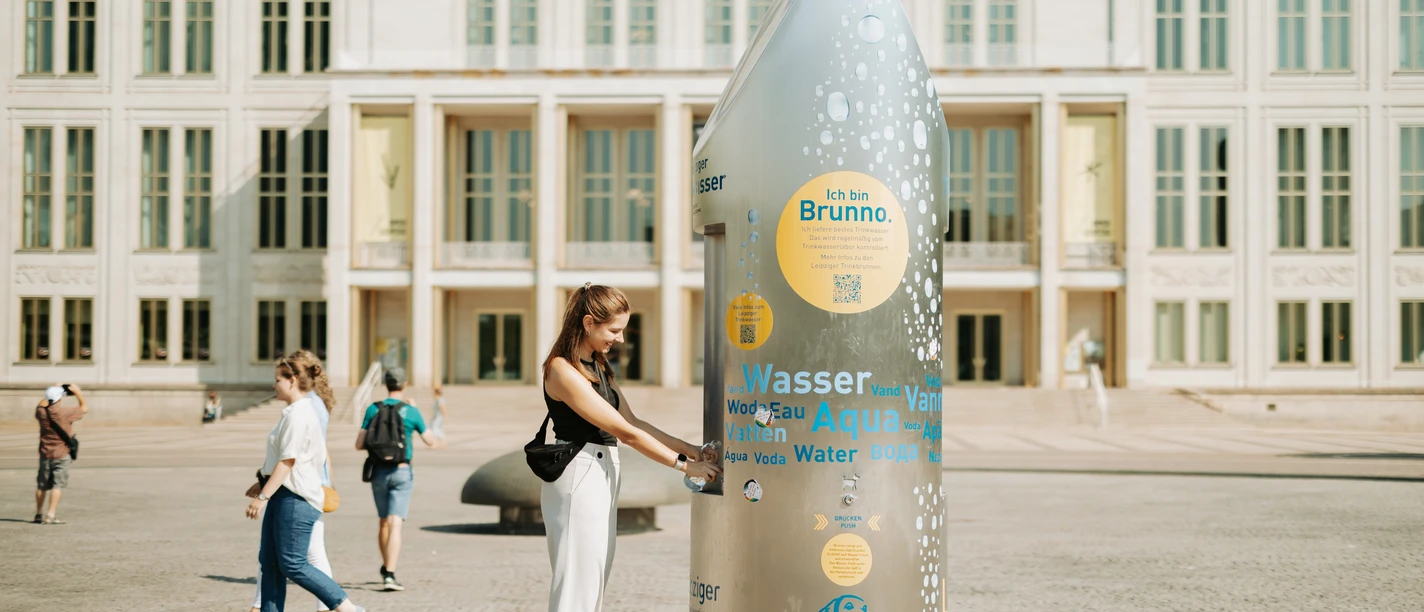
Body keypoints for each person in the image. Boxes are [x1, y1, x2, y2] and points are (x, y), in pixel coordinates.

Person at [540, 283, 721, 612]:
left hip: (602, 471)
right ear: (588, 322)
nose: (620, 339)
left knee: (593, 578)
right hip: (578, 473)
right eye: (614, 330)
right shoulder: (561, 370)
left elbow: (634, 422)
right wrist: (683, 465)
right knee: (577, 586)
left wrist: (691, 448)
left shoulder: (598, 367)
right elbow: (625, 432)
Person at [246, 357, 365, 612]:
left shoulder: (300, 414)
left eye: (277, 380)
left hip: (295, 499)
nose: (274, 385)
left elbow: (288, 461)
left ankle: (347, 608)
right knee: (270, 563)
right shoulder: (293, 413)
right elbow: (283, 459)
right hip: (283, 494)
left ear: (291, 380)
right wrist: (263, 481)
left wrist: (262, 497)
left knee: (293, 564)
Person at [355, 367, 443, 591]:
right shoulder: (410, 411)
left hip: (378, 472)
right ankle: (391, 574)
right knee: (396, 523)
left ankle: (385, 566)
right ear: (404, 385)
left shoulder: (373, 409)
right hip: (402, 471)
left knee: (383, 521)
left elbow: (359, 444)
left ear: (386, 384)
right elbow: (430, 441)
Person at [35, 384, 87, 525]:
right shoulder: (65, 412)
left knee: (42, 485)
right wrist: (77, 393)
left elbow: (41, 405)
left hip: (45, 453)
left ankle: (38, 514)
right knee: (58, 485)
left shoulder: (41, 413)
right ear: (60, 398)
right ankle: (50, 515)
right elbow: (84, 409)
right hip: (62, 454)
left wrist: (52, 390)